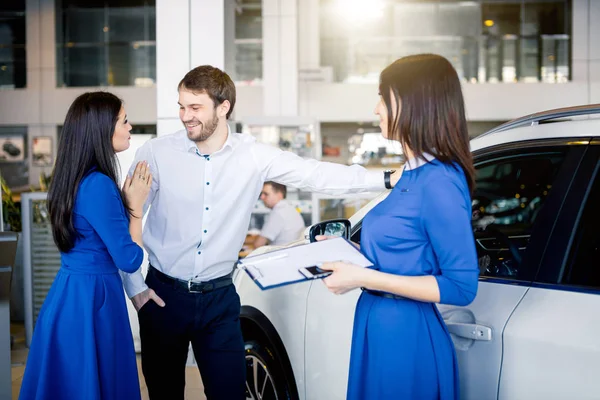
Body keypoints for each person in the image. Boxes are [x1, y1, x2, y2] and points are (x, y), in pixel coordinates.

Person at [119, 65, 402, 400]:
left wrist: (385, 179)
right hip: (164, 296)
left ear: (223, 107)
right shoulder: (155, 153)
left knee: (230, 393)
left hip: (219, 300)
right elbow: (129, 218)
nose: (185, 116)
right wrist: (135, 288)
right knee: (164, 393)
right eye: (181, 106)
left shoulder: (252, 155)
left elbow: (315, 174)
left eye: (195, 108)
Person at [319, 54, 479, 399]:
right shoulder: (411, 174)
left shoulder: (440, 180)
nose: (377, 109)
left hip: (406, 337)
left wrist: (361, 277)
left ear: (413, 102)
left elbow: (461, 285)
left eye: (382, 96)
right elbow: (405, 251)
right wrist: (352, 259)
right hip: (377, 322)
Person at [19, 92, 153, 400]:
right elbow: (129, 258)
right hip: (95, 300)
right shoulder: (99, 185)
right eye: (124, 120)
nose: (130, 127)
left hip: (70, 294)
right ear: (103, 130)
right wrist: (135, 208)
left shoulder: (74, 179)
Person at [250, 181, 305, 248]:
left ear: (279, 195)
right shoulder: (289, 208)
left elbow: (258, 244)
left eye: (266, 194)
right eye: (261, 194)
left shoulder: (278, 212)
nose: (262, 197)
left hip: (280, 255)